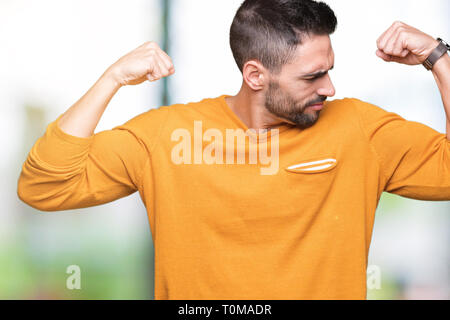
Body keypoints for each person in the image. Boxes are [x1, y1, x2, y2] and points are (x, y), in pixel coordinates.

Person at [17, 0, 450, 300]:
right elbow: (43, 185)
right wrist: (111, 78)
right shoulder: (167, 136)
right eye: (312, 77)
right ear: (255, 75)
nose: (329, 88)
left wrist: (437, 55)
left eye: (329, 71)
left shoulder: (359, 129)